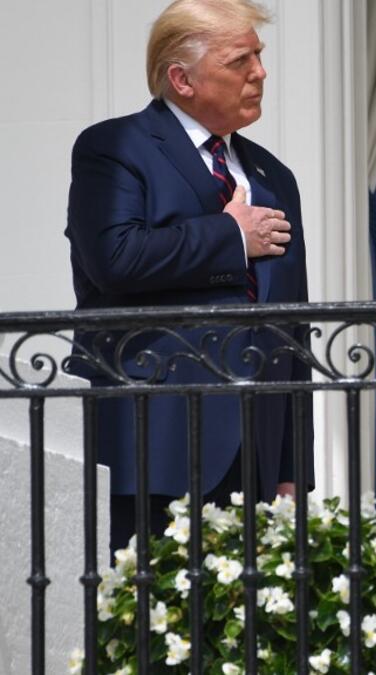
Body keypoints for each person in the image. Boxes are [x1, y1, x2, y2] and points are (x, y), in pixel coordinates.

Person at [64, 0, 312, 553]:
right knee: (149, 628)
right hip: (159, 438)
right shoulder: (116, 147)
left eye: (260, 56)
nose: (260, 72)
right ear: (182, 79)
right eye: (239, 60)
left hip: (258, 453)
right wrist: (229, 237)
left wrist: (295, 468)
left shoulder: (275, 176)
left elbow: (293, 328)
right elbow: (114, 258)